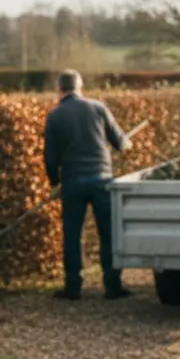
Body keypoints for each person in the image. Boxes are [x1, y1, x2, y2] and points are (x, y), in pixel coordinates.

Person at [42, 70, 133, 300]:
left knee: (72, 235)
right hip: (102, 179)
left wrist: (54, 183)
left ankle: (73, 287)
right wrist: (127, 143)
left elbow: (50, 157)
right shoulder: (98, 108)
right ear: (80, 87)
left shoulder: (54, 116)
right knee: (107, 233)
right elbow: (120, 142)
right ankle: (112, 285)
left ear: (59, 89)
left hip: (73, 182)